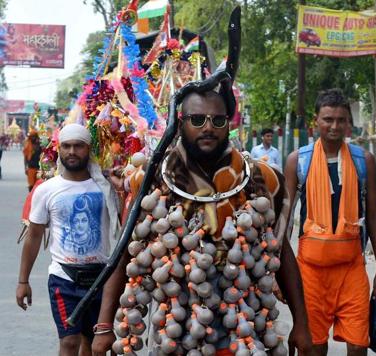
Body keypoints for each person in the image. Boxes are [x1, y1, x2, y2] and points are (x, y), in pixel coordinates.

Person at [91, 90, 313, 355]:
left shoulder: (261, 179)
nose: (208, 127)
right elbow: (123, 255)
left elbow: (281, 250)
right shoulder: (151, 179)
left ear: (228, 124)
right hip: (173, 329)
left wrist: (302, 322)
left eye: (218, 120)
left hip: (242, 327)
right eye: (197, 119)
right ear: (180, 121)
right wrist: (104, 326)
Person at [284, 88, 376, 356]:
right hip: (310, 270)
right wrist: (277, 270)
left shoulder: (364, 160)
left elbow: (373, 215)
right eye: (328, 119)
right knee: (314, 346)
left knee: (358, 345)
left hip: (351, 269)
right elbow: (284, 219)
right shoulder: (298, 161)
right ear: (315, 121)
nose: (334, 126)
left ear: (349, 124)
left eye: (341, 120)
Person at [16, 123, 120, 356]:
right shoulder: (46, 189)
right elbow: (34, 236)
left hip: (101, 277)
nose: (72, 151)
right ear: (59, 149)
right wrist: (23, 281)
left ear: (88, 149)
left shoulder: (106, 188)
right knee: (69, 342)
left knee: (95, 345)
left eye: (78, 146)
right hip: (64, 280)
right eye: (67, 146)